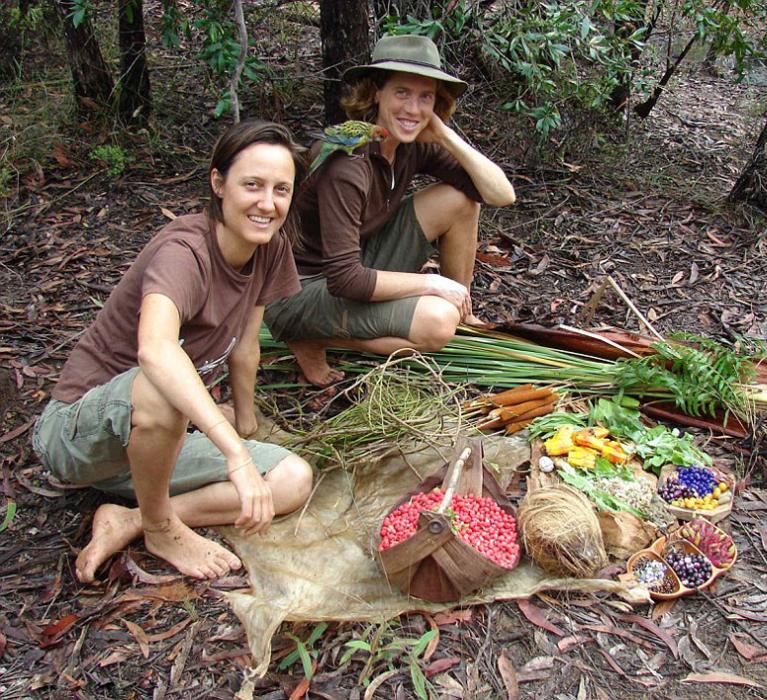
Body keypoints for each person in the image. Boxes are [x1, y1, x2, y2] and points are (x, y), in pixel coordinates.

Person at [31, 119, 314, 583]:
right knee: (162, 386)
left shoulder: (269, 247)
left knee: (291, 480)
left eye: (281, 189)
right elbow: (156, 351)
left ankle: (134, 517)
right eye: (252, 185)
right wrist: (235, 456)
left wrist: (247, 427)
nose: (268, 203)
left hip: (154, 448)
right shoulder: (185, 252)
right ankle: (162, 528)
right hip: (80, 437)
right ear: (218, 183)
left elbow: (245, 348)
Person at [264, 33, 516, 386]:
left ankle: (464, 310)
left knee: (459, 200)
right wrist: (432, 284)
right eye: (402, 93)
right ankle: (308, 336)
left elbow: (500, 194)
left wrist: (444, 135)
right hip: (301, 290)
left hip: (359, 259)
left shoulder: (410, 144)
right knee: (437, 321)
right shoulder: (348, 161)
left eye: (425, 97)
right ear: (375, 92)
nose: (413, 109)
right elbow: (345, 278)